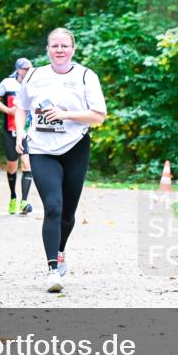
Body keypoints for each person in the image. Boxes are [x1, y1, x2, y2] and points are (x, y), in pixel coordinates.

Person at [15, 28, 107, 292]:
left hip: (75, 147)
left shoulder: (86, 76)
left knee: (67, 213)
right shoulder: (34, 75)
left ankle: (61, 248)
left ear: (73, 49)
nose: (59, 50)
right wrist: (21, 132)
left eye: (64, 45)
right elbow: (20, 106)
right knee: (53, 207)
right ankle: (52, 269)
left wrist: (65, 115)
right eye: (54, 45)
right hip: (42, 148)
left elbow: (98, 116)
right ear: (47, 49)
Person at [0, 57, 34, 215]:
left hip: (28, 131)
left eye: (30, 68)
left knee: (26, 164)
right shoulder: (7, 83)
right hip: (10, 130)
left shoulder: (35, 83)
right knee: (12, 166)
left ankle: (24, 201)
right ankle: (13, 197)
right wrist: (8, 110)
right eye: (25, 69)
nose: (28, 71)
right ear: (18, 70)